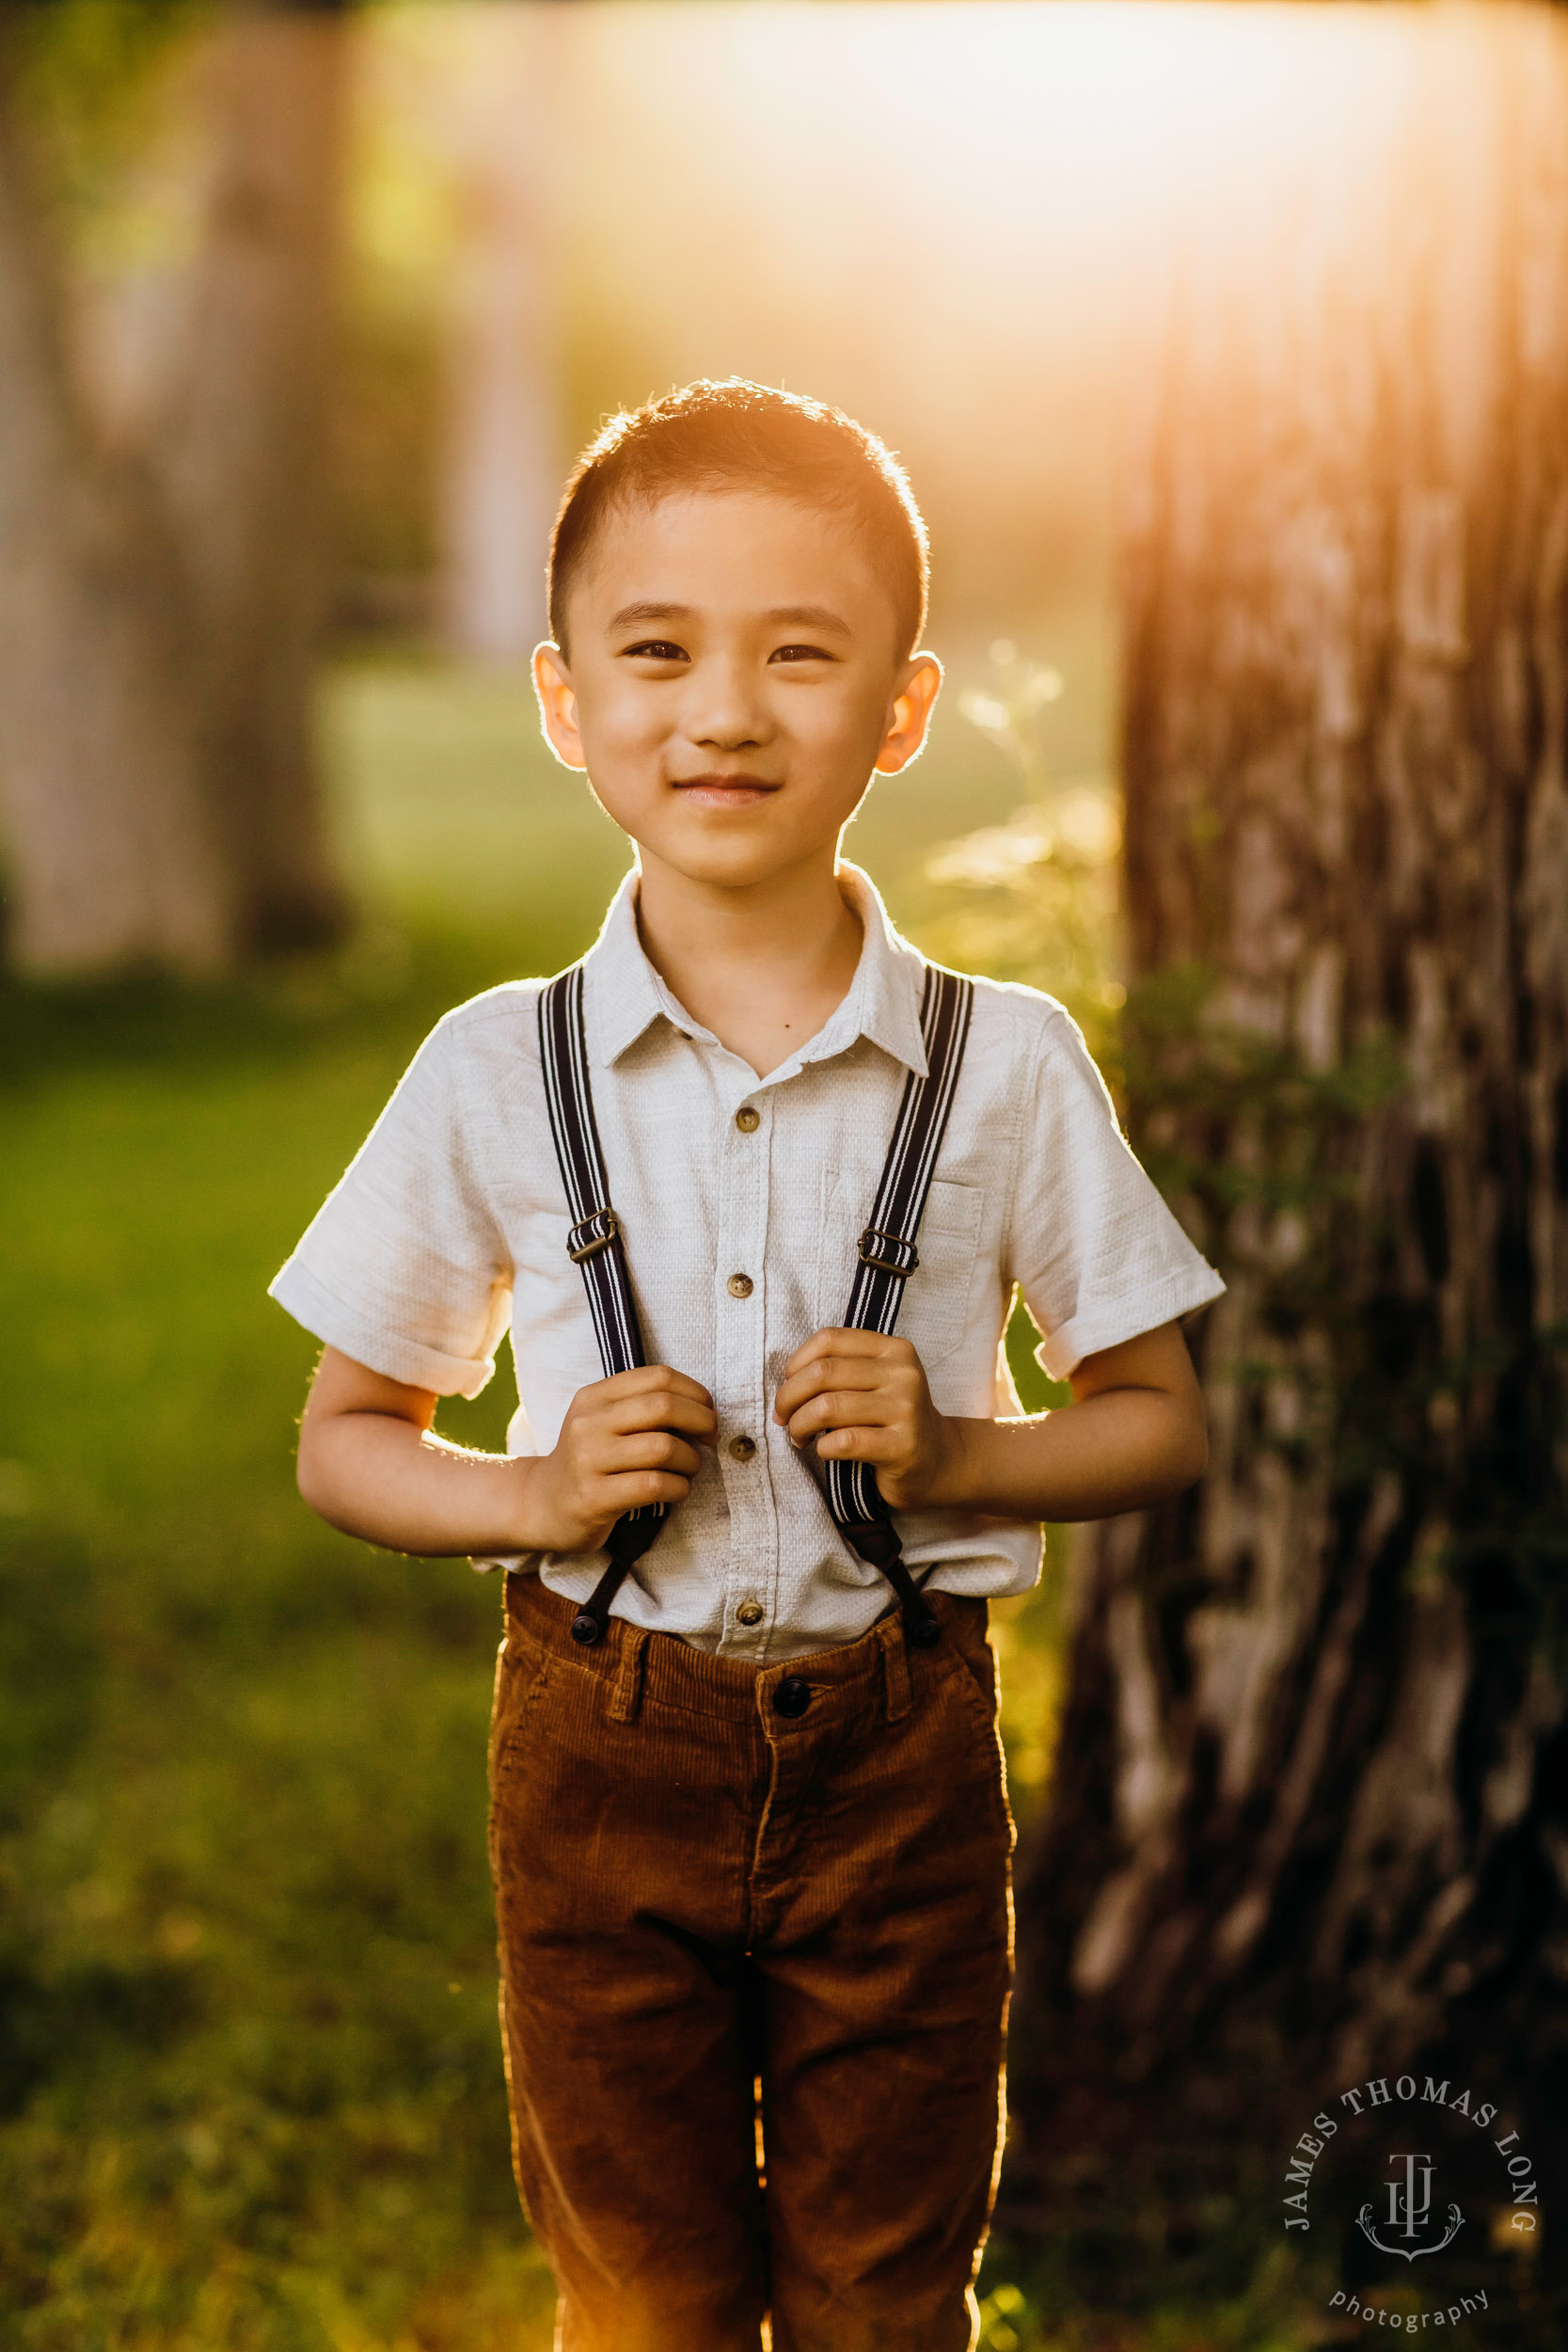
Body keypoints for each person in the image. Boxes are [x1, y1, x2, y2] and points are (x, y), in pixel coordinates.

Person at [271, 378, 1224, 2352]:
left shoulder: (1007, 1061)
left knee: (888, 2284)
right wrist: (530, 1494)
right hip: (599, 1748)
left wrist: (962, 1446)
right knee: (639, 2286)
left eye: (803, 655)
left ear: (902, 708)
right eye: (658, 652)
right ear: (565, 704)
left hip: (901, 1754)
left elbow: (1161, 1419)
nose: (725, 710)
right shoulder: (491, 1068)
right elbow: (348, 1442)